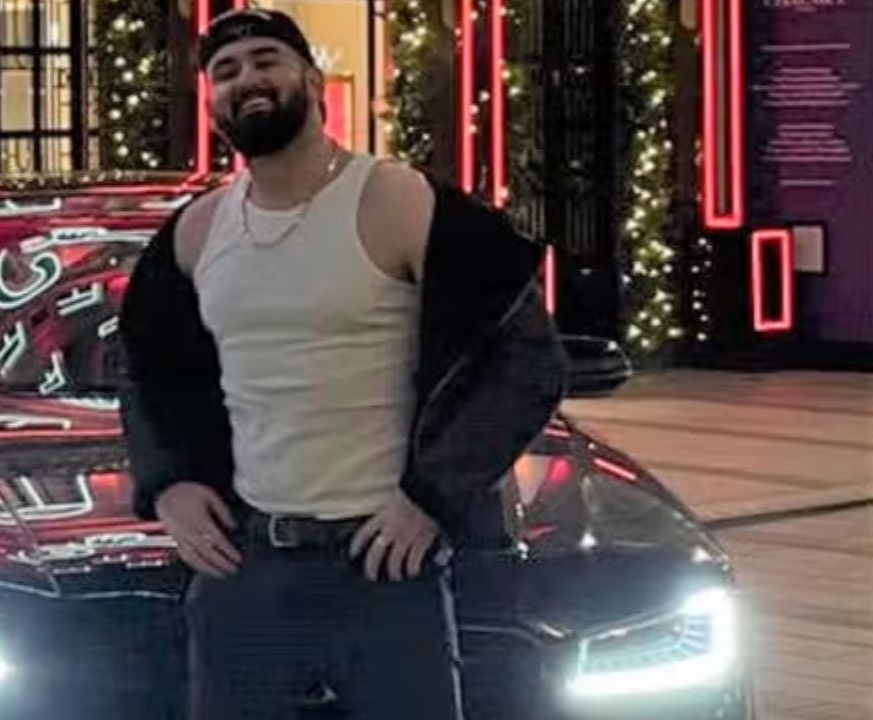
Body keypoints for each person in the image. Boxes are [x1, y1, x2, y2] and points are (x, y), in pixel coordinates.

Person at [119, 8, 567, 719]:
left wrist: (432, 496)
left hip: (384, 566)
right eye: (225, 71)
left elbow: (527, 360)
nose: (247, 79)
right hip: (246, 568)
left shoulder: (396, 201)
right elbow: (146, 370)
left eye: (266, 60)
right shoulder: (197, 232)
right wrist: (168, 480)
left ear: (311, 80)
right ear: (211, 104)